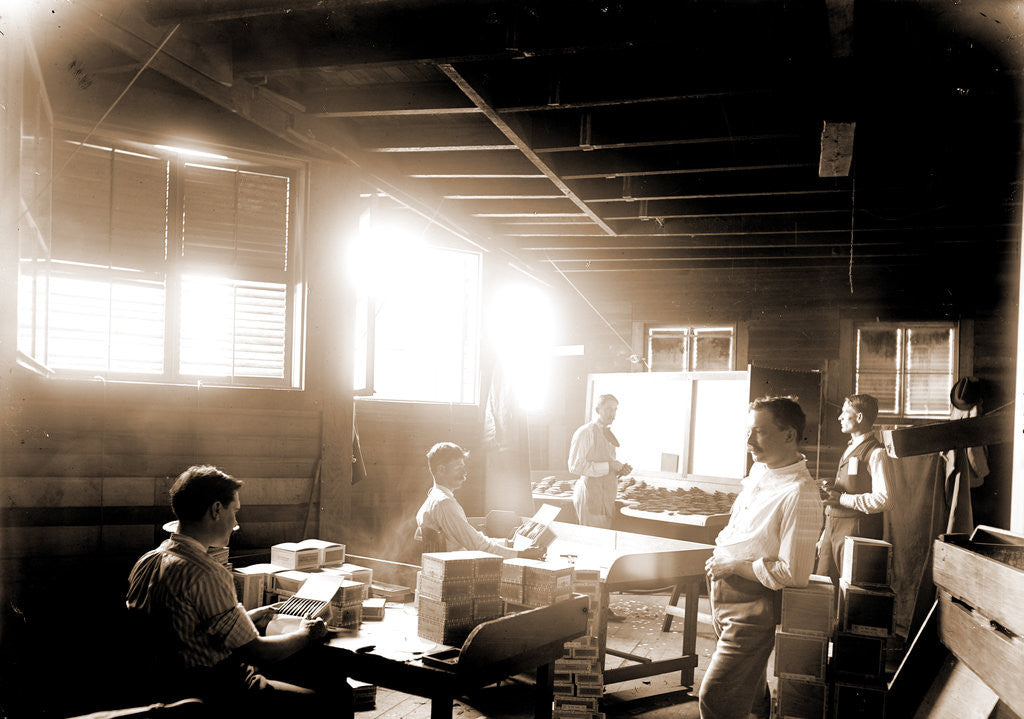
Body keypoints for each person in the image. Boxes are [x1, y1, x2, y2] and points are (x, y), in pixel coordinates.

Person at [126, 465, 350, 719]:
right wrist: (307, 633)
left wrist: (251, 616)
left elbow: (187, 628)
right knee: (336, 700)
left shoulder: (148, 560)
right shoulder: (207, 572)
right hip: (219, 693)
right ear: (216, 509)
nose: (236, 523)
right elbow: (258, 652)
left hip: (165, 686)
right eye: (235, 511)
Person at [699, 396, 822, 719]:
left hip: (752, 607)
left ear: (789, 435)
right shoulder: (760, 472)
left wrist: (735, 565)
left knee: (716, 699)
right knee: (750, 694)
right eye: (748, 432)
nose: (749, 442)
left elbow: (794, 573)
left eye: (760, 432)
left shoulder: (800, 493)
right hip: (723, 594)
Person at [815, 393, 894, 584]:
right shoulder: (849, 448)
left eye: (844, 413)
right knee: (822, 588)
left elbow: (884, 499)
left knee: (849, 592)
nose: (839, 417)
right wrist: (825, 535)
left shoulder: (876, 453)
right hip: (832, 531)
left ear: (859, 417)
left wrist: (842, 499)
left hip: (856, 533)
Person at [415, 442, 544, 558]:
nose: (464, 473)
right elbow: (477, 545)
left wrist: (507, 543)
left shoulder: (433, 498)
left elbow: (473, 539)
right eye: (458, 468)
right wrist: (520, 554)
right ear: (441, 470)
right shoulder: (444, 503)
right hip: (461, 569)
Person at [568, 394, 632, 528]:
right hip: (590, 494)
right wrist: (609, 466)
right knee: (591, 541)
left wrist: (618, 470)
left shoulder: (607, 433)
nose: (613, 414)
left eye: (615, 409)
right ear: (598, 410)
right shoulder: (585, 432)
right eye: (608, 409)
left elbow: (605, 464)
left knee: (603, 540)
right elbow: (575, 466)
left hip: (605, 496)